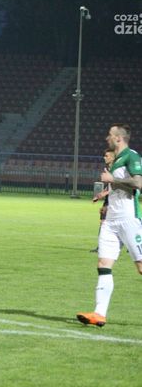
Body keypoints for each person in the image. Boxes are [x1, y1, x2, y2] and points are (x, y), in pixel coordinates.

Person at [77, 124, 142, 327]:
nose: (107, 138)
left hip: (129, 219)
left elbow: (138, 183)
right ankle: (99, 314)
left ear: (118, 138)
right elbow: (116, 187)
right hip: (111, 221)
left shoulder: (131, 156)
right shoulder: (116, 160)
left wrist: (112, 179)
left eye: (110, 135)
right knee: (103, 264)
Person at [89, 148, 115, 253]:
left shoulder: (116, 169)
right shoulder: (109, 168)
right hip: (108, 200)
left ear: (113, 157)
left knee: (106, 223)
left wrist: (103, 194)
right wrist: (99, 195)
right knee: (104, 223)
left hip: (115, 200)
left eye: (107, 156)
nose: (104, 157)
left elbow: (116, 186)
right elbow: (109, 186)